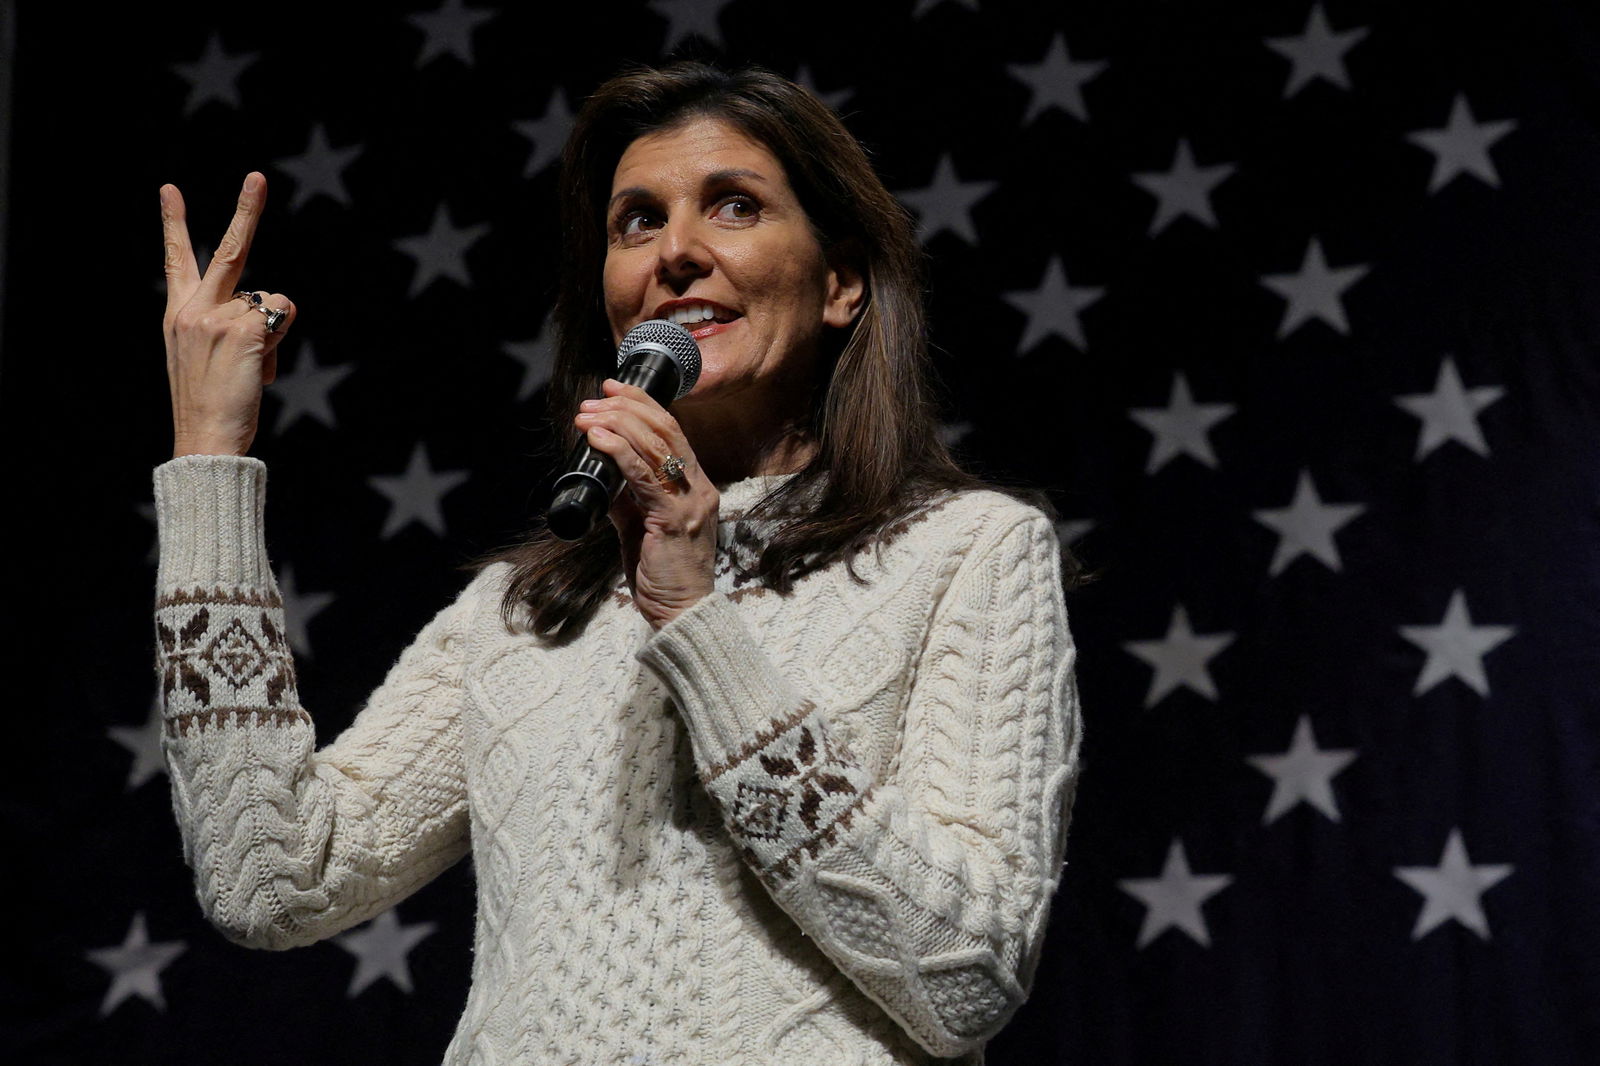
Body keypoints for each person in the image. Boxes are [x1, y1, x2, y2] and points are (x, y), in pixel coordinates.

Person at [153, 61, 1083, 1065]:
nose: (676, 251)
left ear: (841, 281)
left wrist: (695, 617)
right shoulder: (517, 610)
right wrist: (210, 456)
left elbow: (966, 976)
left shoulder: (963, 549)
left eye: (733, 206)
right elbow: (268, 879)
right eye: (635, 222)